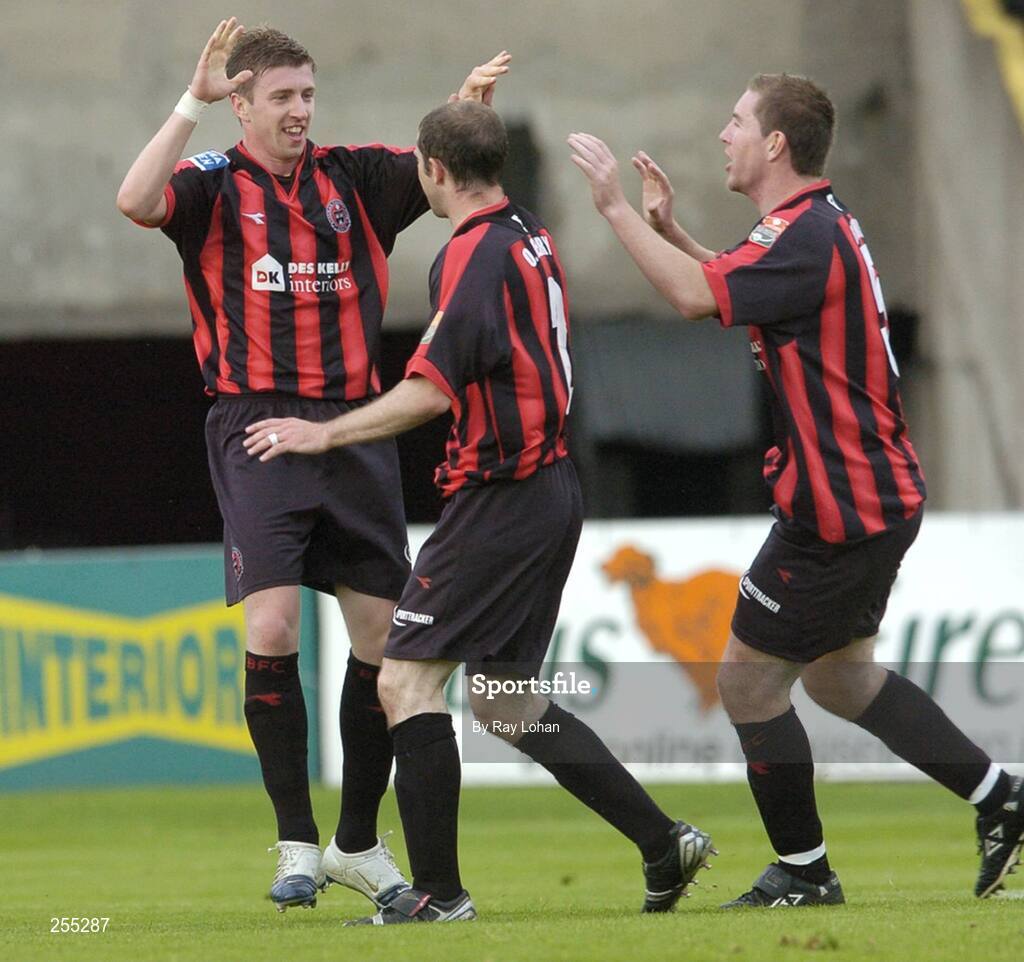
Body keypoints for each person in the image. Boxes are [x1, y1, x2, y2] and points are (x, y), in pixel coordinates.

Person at [244, 99, 716, 924]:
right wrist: (470, 120)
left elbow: (429, 390)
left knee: (404, 679)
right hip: (551, 489)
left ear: (430, 169)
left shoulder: (470, 255)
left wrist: (324, 435)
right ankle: (660, 841)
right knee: (503, 698)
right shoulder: (525, 229)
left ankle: (437, 894)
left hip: (501, 495)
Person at [568, 73, 1023, 907]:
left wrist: (613, 210)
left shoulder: (802, 233)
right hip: (869, 496)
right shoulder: (810, 227)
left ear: (776, 143)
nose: (724, 134)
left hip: (838, 508)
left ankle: (806, 873)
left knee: (746, 681)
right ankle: (1002, 798)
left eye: (737, 120)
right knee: (838, 679)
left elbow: (690, 298)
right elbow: (737, 292)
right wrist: (673, 227)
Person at [115, 18, 510, 913]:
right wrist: (190, 99)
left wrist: (464, 107)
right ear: (242, 102)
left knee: (382, 643)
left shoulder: (355, 178)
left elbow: (444, 168)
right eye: (282, 97)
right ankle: (295, 841)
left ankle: (359, 845)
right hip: (256, 427)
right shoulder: (212, 187)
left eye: (308, 95)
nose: (300, 112)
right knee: (274, 631)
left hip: (354, 429)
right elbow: (135, 201)